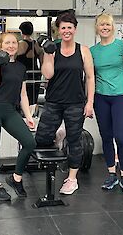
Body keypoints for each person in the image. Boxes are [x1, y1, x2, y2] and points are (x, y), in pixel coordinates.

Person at [35, 11, 95, 195]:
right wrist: (48, 53)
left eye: (70, 27)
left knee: (75, 140)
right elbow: (47, 74)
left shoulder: (83, 50)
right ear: (58, 30)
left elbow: (91, 78)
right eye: (63, 28)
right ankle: (58, 136)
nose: (66, 31)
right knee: (42, 138)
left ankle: (71, 179)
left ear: (75, 29)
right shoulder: (52, 49)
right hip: (53, 101)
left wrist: (89, 102)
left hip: (76, 103)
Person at [0, 32, 36, 201]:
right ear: (0, 46)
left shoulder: (20, 67)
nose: (11, 46)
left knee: (29, 143)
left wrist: (28, 116)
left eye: (14, 43)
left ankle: (16, 178)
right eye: (7, 43)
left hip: (10, 111)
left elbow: (23, 94)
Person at [90, 13, 123, 194]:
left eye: (108, 25)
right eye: (101, 25)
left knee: (121, 137)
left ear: (113, 27)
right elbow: (89, 76)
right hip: (101, 98)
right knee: (106, 137)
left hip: (120, 97)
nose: (104, 27)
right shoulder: (93, 51)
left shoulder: (122, 46)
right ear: (97, 28)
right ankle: (112, 173)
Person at [17, 21, 43, 117]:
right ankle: (32, 116)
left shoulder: (21, 45)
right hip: (35, 74)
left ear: (21, 32)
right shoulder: (36, 44)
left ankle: (25, 116)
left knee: (23, 97)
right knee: (33, 98)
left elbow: (12, 60)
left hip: (23, 75)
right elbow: (41, 59)